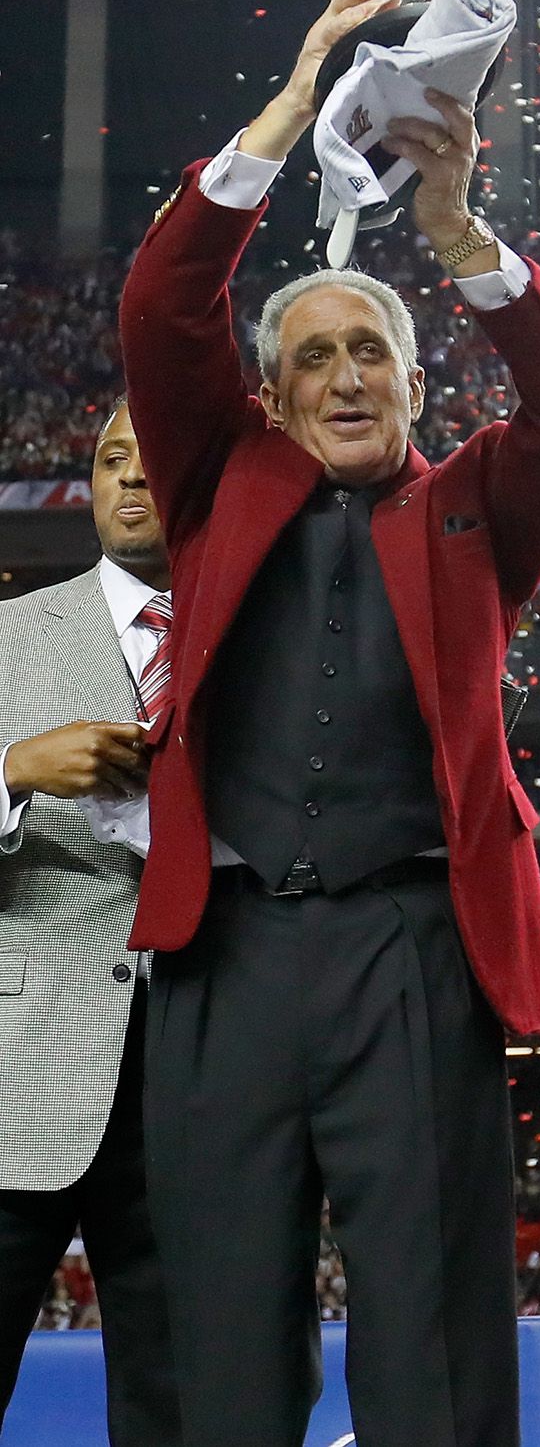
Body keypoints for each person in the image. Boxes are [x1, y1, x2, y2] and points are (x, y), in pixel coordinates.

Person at [118, 0, 540, 1447]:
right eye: (315, 355)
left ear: (416, 383)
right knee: (223, 1320)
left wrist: (462, 237)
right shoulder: (220, 477)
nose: (347, 373)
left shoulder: (478, 504)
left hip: (416, 946)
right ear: (269, 393)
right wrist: (293, 101)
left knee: (437, 1322)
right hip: (226, 948)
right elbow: (166, 300)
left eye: (375, 353)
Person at [0, 401, 182, 1443]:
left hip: (196, 1082)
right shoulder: (12, 634)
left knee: (175, 1410)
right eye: (114, 459)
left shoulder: (262, 638)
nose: (130, 480)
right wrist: (14, 770)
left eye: (155, 462)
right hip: (18, 1074)